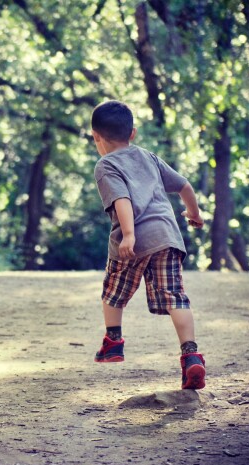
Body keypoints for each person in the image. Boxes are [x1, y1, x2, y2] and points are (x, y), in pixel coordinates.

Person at [91, 100, 206, 390]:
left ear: (96, 137)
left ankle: (113, 342)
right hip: (167, 237)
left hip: (134, 241)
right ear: (133, 133)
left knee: (113, 292)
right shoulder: (149, 157)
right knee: (175, 296)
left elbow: (122, 200)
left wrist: (129, 235)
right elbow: (184, 186)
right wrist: (194, 214)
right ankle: (191, 354)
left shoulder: (106, 165)